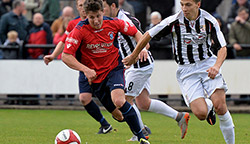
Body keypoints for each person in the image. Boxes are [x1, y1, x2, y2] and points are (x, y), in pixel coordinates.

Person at [122, 0, 235, 144]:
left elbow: (222, 47)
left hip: (208, 64)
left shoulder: (209, 21)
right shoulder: (173, 21)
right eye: (182, 4)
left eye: (188, 4)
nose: (184, 8)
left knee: (221, 105)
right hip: (186, 70)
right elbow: (148, 35)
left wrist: (217, 66)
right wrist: (133, 55)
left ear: (198, 4)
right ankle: (209, 105)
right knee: (200, 114)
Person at [62, 0, 149, 143]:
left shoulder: (114, 23)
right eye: (91, 17)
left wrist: (141, 49)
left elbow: (137, 33)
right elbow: (66, 56)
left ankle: (142, 137)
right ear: (86, 16)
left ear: (103, 12)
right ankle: (135, 126)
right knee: (119, 117)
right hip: (95, 78)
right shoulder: (79, 30)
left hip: (114, 69)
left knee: (119, 100)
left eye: (98, 16)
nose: (96, 21)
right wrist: (85, 69)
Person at [103, 0, 190, 141]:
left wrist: (142, 48)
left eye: (104, 7)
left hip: (138, 66)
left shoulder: (125, 19)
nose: (102, 11)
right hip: (137, 65)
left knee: (125, 100)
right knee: (143, 102)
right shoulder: (113, 19)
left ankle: (140, 133)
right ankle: (179, 117)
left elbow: (143, 38)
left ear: (113, 6)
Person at [44, 0, 113, 135]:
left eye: (84, 5)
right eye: (80, 6)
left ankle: (137, 125)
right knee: (84, 98)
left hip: (105, 66)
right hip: (85, 67)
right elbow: (64, 41)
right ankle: (104, 124)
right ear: (77, 7)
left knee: (117, 99)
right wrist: (52, 56)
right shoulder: (73, 24)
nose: (82, 8)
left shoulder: (102, 21)